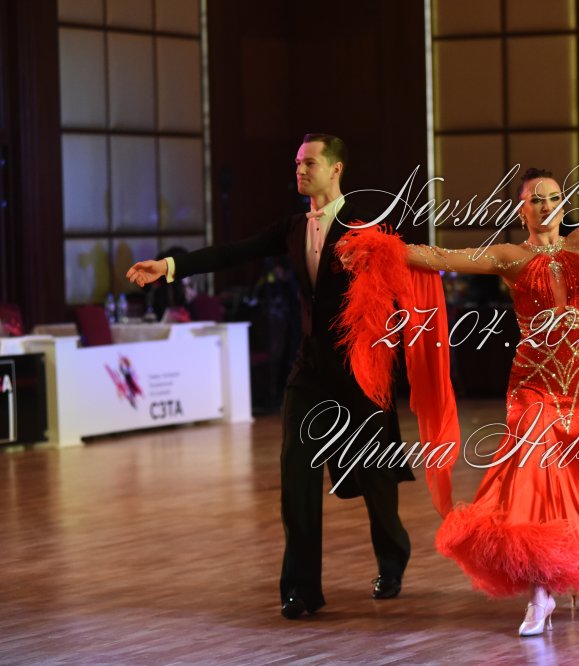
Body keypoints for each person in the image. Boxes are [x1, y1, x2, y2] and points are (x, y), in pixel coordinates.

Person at [337, 127, 579, 636]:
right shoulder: (509, 257)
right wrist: (382, 248)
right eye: (534, 200)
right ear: (521, 210)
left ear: (564, 203)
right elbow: (441, 257)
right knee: (539, 484)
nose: (545, 206)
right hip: (534, 385)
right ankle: (542, 593)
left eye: (552, 197)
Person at [125, 134, 414, 619]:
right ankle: (300, 589)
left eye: (310, 163)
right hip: (311, 368)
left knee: (375, 475)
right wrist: (171, 266)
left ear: (336, 169)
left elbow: (399, 277)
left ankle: (392, 557)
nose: (300, 170)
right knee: (295, 472)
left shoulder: (367, 224)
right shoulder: (293, 227)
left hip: (360, 368)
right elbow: (233, 252)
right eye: (298, 163)